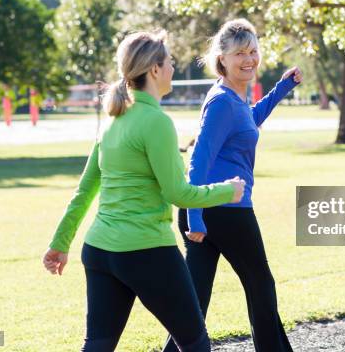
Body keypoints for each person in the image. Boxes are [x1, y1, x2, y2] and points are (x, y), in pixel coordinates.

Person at [42, 30, 246, 352]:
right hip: (147, 251)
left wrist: (60, 243)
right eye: (170, 63)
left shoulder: (112, 120)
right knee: (195, 344)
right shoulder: (156, 122)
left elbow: (84, 191)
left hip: (99, 251)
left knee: (97, 345)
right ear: (154, 70)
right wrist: (227, 191)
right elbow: (179, 194)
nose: (173, 69)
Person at [163, 19, 302, 352]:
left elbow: (249, 121)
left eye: (253, 51)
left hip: (209, 210)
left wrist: (281, 89)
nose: (249, 59)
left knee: (194, 303)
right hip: (223, 210)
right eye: (240, 52)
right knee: (260, 286)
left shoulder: (233, 99)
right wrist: (195, 219)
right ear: (221, 58)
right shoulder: (223, 102)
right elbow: (199, 161)